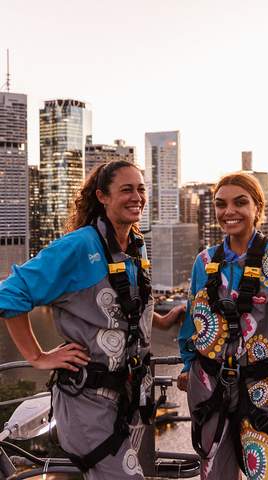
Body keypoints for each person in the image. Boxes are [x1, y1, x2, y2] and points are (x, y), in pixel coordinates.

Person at [0, 160, 184, 479]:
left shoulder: (134, 245)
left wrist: (163, 321)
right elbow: (10, 294)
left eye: (141, 189)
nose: (136, 197)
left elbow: (123, 306)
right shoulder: (80, 246)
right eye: (126, 189)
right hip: (89, 404)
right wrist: (37, 357)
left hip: (131, 398)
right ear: (102, 196)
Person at [177, 172, 268, 480]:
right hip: (209, 384)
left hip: (264, 386)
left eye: (240, 202)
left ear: (258, 207)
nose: (229, 211)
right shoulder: (205, 262)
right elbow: (192, 319)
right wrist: (189, 365)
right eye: (220, 204)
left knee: (265, 471)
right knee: (214, 473)